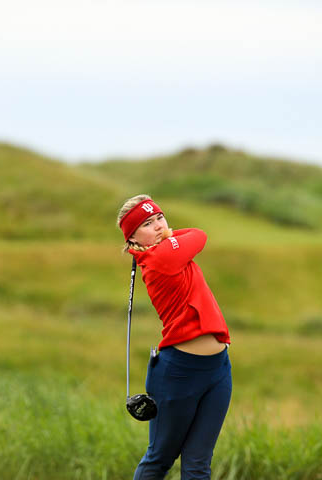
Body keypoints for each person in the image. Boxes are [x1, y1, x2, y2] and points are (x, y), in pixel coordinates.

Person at [116, 194, 232, 480]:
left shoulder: (166, 252)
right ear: (133, 238)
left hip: (218, 369)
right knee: (159, 459)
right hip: (179, 372)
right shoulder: (161, 257)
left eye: (160, 218)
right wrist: (169, 235)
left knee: (197, 464)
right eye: (147, 224)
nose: (158, 226)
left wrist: (165, 235)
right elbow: (199, 235)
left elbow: (192, 237)